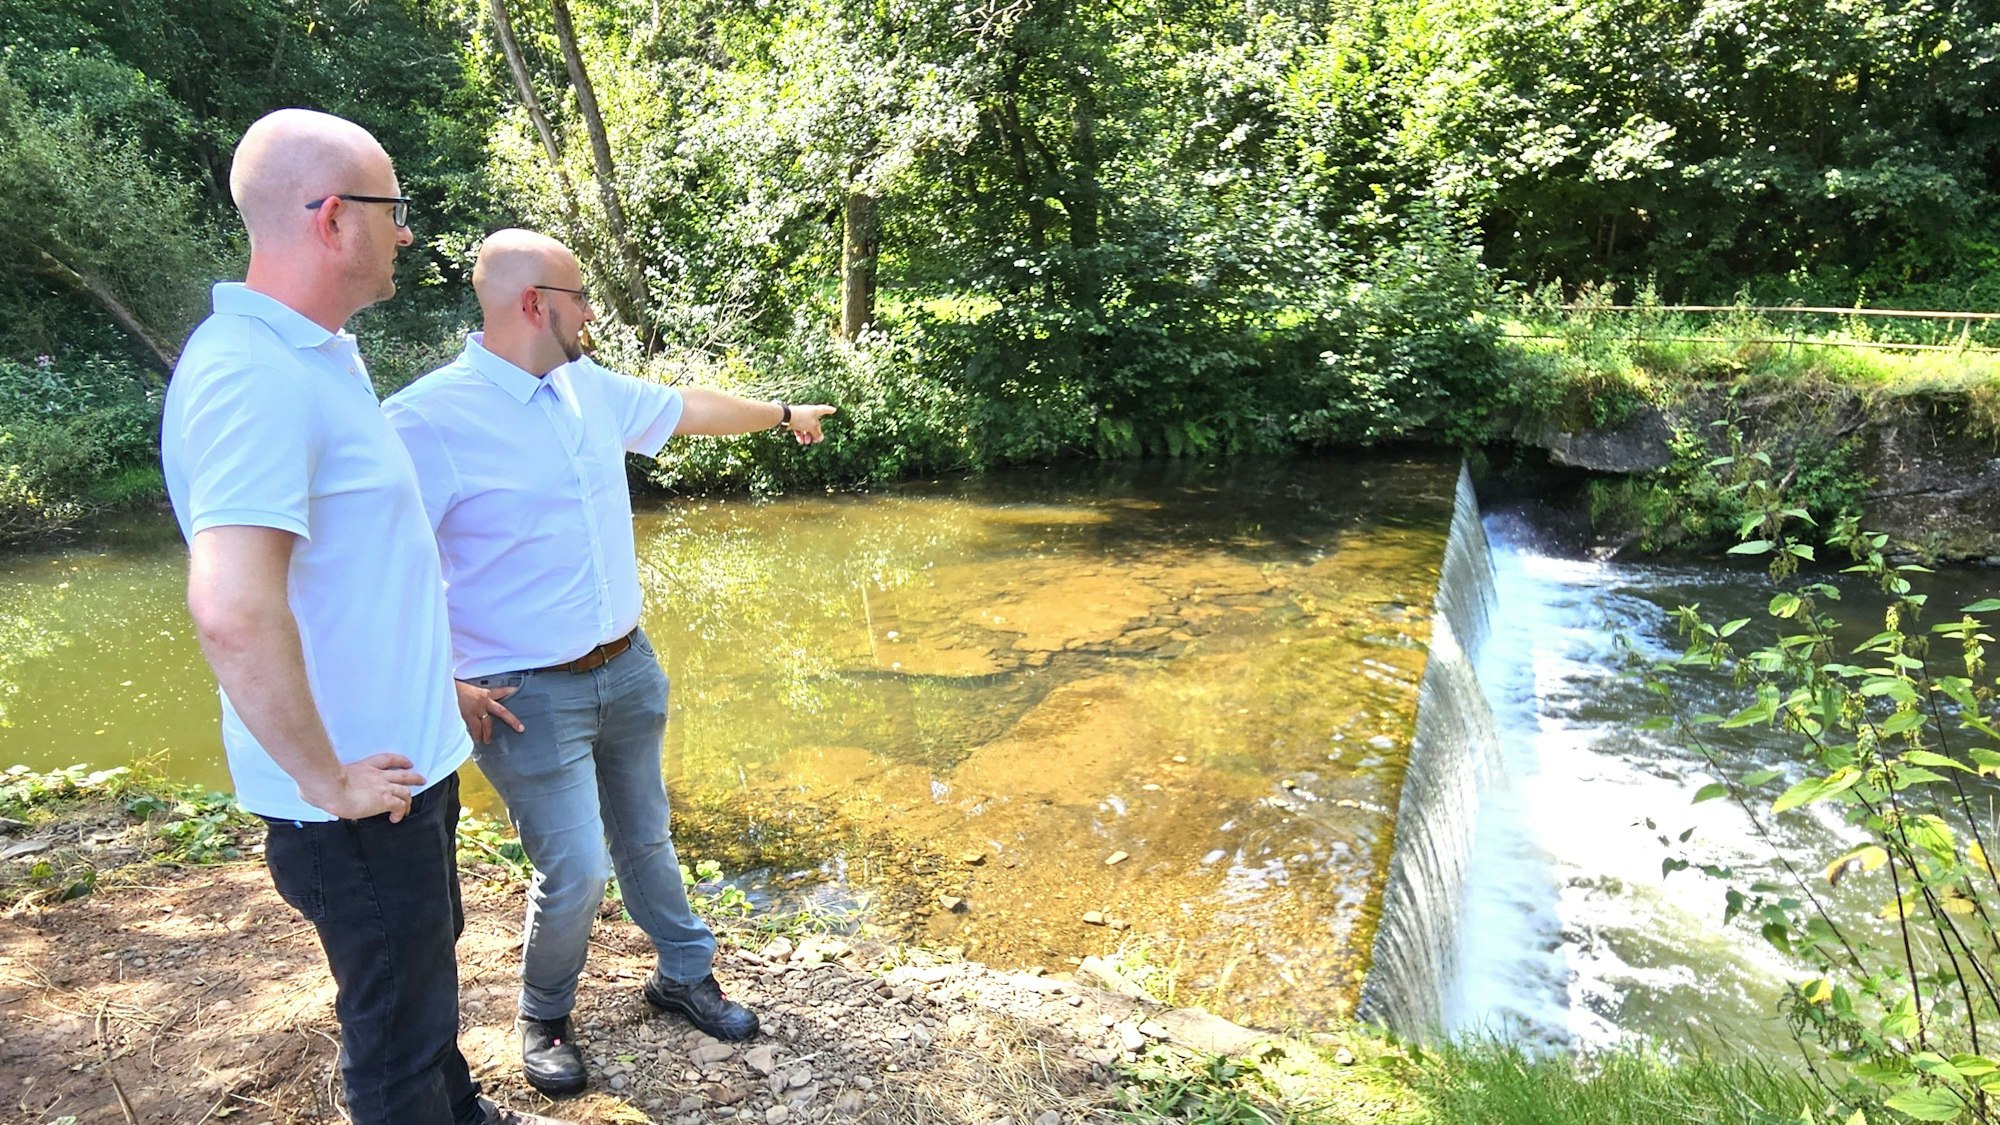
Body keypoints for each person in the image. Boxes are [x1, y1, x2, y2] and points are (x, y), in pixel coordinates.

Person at [162, 111, 567, 1125]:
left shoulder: (314, 355)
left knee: (422, 985)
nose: (408, 232)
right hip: (355, 801)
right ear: (334, 218)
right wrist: (326, 779)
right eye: (395, 210)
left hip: (398, 768)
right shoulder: (251, 375)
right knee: (392, 1037)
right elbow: (231, 607)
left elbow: (354, 574)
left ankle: (460, 1110)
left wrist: (436, 688)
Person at [383, 228, 836, 1097]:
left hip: (627, 667)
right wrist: (442, 682)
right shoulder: (425, 420)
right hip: (522, 694)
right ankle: (544, 1013)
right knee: (578, 869)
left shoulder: (584, 387)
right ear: (534, 304)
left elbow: (688, 407)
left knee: (646, 835)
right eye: (580, 296)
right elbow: (381, 566)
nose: (591, 311)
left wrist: (783, 413)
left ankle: (683, 973)